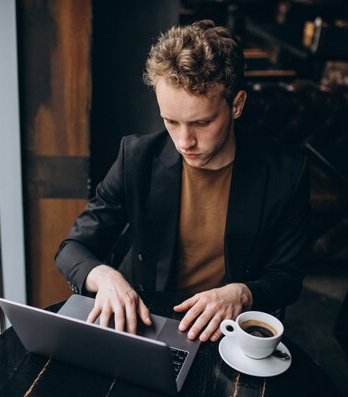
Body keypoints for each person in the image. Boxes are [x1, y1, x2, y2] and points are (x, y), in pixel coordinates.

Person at [55, 20, 309, 343]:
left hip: (226, 335)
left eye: (201, 123)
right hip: (146, 324)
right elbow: (73, 248)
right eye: (170, 121)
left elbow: (288, 276)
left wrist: (242, 294)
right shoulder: (136, 157)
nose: (184, 141)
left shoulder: (286, 174)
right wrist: (105, 277)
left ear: (237, 105)